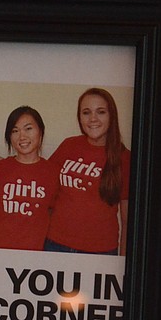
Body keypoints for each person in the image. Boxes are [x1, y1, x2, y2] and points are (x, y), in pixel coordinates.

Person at [44, 88, 130, 255]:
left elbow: (127, 221)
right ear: (79, 118)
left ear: (111, 116)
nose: (93, 119)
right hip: (55, 245)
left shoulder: (124, 158)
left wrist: (123, 263)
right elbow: (42, 180)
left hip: (99, 252)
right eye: (86, 112)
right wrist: (8, 164)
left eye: (101, 112)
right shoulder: (69, 145)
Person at [0, 106, 59, 251]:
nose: (22, 136)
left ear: (41, 131)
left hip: (34, 258)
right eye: (15, 131)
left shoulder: (53, 172)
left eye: (28, 128)